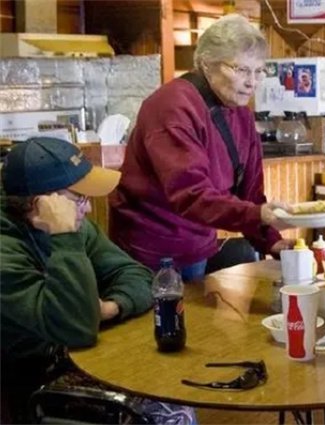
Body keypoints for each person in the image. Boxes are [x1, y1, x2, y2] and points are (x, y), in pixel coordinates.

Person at [0, 137, 194, 423]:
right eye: (79, 197)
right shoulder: (10, 249)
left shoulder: (77, 227)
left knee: (172, 387)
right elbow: (77, 328)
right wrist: (64, 239)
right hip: (29, 386)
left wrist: (111, 307)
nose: (88, 209)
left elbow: (138, 276)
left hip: (78, 359)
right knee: (161, 413)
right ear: (40, 202)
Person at [110, 15, 294, 281]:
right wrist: (258, 215)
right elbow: (190, 194)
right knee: (160, 322)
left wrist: (271, 242)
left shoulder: (240, 112)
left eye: (258, 71)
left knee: (195, 322)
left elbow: (250, 193)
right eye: (241, 69)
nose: (252, 82)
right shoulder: (172, 107)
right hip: (150, 251)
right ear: (206, 64)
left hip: (197, 245)